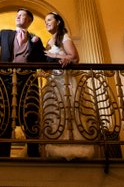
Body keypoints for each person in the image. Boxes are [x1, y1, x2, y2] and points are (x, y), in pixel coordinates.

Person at [0, 8, 46, 157]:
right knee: (5, 115)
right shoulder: (5, 33)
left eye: (22, 15)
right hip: (4, 80)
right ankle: (3, 153)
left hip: (27, 82)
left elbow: (43, 60)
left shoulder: (35, 39)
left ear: (29, 21)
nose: (18, 17)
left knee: (30, 115)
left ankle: (33, 153)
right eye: (17, 15)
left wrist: (60, 59)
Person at [42, 12, 95, 159]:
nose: (46, 23)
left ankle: (73, 147)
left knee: (68, 111)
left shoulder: (64, 37)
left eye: (49, 20)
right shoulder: (49, 40)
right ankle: (55, 146)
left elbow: (75, 58)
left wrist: (57, 56)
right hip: (53, 81)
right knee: (55, 113)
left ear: (58, 22)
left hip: (65, 81)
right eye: (45, 21)